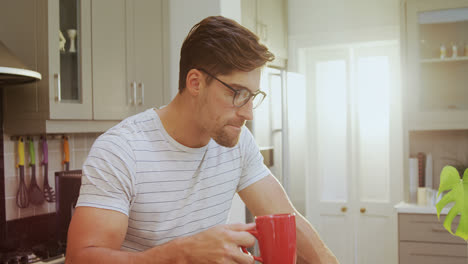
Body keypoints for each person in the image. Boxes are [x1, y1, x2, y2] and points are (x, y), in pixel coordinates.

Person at [65, 16, 338, 264]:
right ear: (195, 82)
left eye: (252, 96)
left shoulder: (239, 142)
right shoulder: (121, 150)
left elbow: (286, 220)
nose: (248, 113)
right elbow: (81, 259)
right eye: (237, 93)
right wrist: (180, 254)